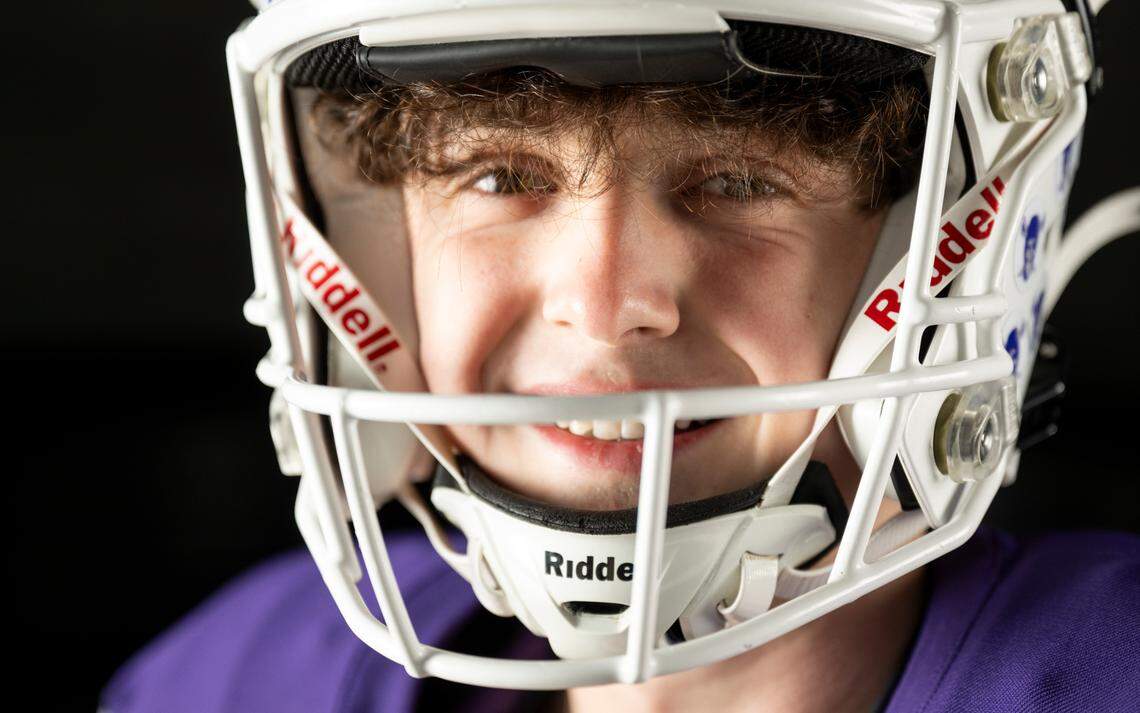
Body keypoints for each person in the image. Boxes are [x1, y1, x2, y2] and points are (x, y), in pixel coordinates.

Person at [103, 1, 1139, 711]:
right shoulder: (245, 672)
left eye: (738, 182)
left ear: (949, 246)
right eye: (500, 175)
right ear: (367, 254)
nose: (602, 311)